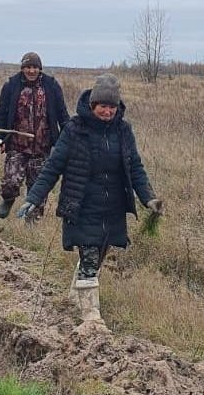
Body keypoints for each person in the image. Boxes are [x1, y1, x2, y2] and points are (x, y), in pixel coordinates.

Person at [17, 73, 163, 286]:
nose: (107, 111)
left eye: (112, 106)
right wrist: (34, 197)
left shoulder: (124, 131)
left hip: (112, 209)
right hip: (81, 207)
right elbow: (52, 167)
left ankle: (76, 299)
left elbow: (135, 168)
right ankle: (91, 317)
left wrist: (149, 198)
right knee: (89, 264)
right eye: (103, 106)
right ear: (93, 104)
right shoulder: (75, 130)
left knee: (94, 264)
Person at [0, 52, 70, 220]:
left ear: (40, 69)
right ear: (22, 68)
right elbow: (1, 114)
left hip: (43, 148)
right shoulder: (11, 86)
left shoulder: (51, 86)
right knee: (10, 183)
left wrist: (69, 139)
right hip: (16, 146)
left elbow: (63, 115)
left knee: (38, 192)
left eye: (35, 67)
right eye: (28, 67)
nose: (31, 71)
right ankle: (8, 199)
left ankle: (31, 226)